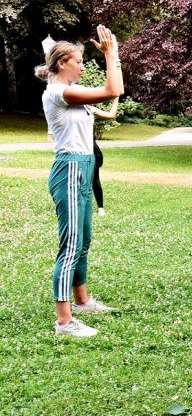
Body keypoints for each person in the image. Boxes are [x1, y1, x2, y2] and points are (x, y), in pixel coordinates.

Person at [34, 25, 124, 338]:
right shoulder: (59, 92)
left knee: (83, 240)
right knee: (70, 245)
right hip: (70, 168)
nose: (83, 65)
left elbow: (115, 92)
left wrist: (114, 58)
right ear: (61, 64)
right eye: (78, 61)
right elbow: (113, 91)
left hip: (84, 166)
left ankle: (82, 301)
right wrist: (111, 54)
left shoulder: (74, 94)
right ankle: (63, 322)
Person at [90, 98, 119, 216]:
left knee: (94, 178)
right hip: (75, 147)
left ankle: (100, 207)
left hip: (90, 147)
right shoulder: (69, 110)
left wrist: (116, 99)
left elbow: (111, 115)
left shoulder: (90, 109)